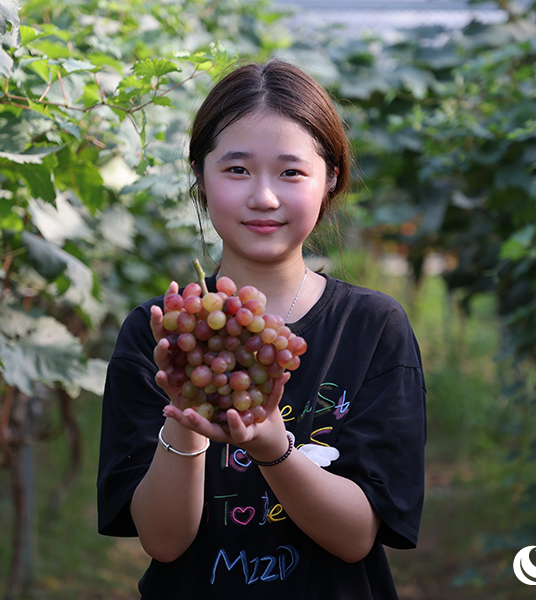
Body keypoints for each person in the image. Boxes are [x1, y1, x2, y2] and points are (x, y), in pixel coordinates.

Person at [98, 59, 426, 599]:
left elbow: (356, 536)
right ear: (200, 178)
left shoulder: (373, 329)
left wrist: (274, 445)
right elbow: (163, 540)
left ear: (331, 181)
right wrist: (184, 418)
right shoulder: (157, 336)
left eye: (291, 172)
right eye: (237, 170)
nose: (264, 197)